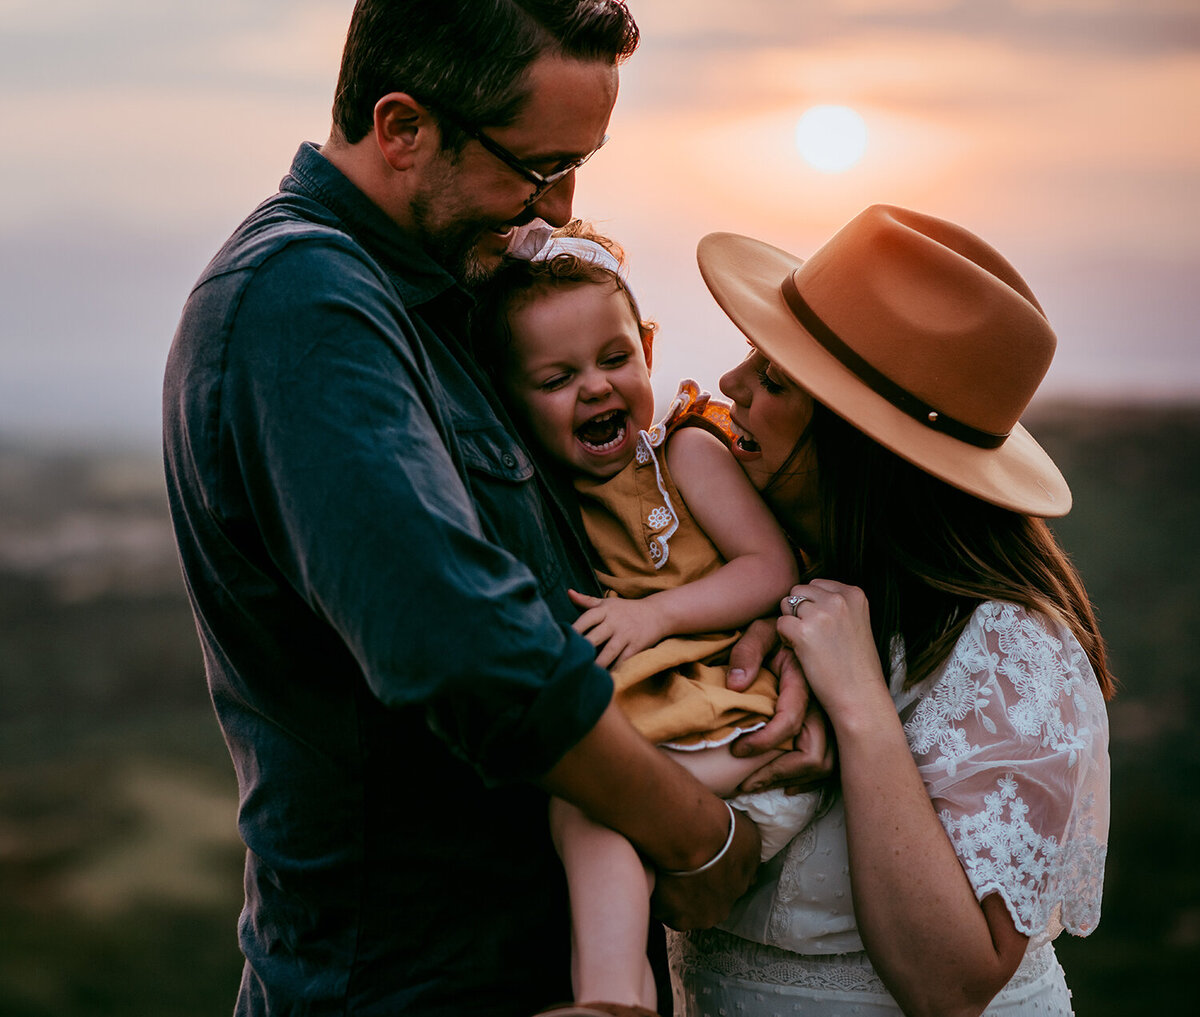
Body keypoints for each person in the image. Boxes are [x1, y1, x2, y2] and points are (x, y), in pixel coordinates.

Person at [160, 3, 791, 1015]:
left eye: (579, 162)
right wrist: (697, 834)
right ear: (403, 128)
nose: (561, 201)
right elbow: (458, 641)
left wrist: (738, 614)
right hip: (411, 985)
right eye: (538, 166)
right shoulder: (306, 301)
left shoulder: (447, 294)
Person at [667, 204, 1114, 1015]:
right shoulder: (745, 577)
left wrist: (862, 704)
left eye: (772, 380)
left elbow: (949, 984)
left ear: (859, 447)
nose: (729, 387)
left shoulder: (1012, 652)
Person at [472, 222, 825, 1007]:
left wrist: (655, 615)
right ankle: (616, 999)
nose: (595, 387)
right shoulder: (553, 496)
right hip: (681, 727)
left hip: (745, 723)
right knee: (599, 823)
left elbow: (767, 568)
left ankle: (609, 1001)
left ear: (650, 350)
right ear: (509, 398)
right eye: (557, 378)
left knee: (594, 799)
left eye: (614, 359)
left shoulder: (684, 454)